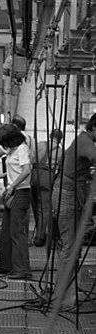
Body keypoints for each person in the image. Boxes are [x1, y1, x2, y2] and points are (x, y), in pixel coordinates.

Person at [51, 113, 96, 308]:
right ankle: (63, 298)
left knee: (72, 247)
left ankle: (65, 293)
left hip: (68, 193)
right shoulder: (85, 141)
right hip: (67, 195)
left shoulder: (82, 139)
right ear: (94, 127)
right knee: (69, 248)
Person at [0, 123, 32, 279]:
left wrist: (12, 187)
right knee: (6, 232)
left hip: (20, 193)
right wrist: (3, 175)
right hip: (13, 192)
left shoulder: (22, 148)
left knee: (17, 233)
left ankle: (22, 270)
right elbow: (16, 168)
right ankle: (6, 266)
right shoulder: (13, 149)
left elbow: (26, 170)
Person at [31, 129, 63, 246]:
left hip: (33, 176)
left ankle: (36, 230)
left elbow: (32, 159)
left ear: (50, 136)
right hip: (47, 179)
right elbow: (59, 170)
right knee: (44, 209)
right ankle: (39, 237)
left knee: (34, 206)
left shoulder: (41, 144)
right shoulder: (60, 152)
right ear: (60, 139)